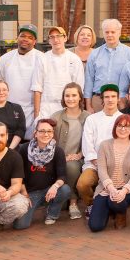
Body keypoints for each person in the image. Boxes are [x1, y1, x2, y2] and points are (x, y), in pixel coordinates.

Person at [13, 119, 71, 228]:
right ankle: (35, 205)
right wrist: (24, 193)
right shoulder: (24, 149)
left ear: (53, 134)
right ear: (35, 133)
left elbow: (62, 175)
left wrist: (55, 186)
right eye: (42, 131)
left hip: (49, 191)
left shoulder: (58, 151)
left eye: (49, 131)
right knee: (20, 225)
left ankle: (52, 213)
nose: (46, 134)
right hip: (30, 193)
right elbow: (18, 174)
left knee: (65, 189)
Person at [88, 115, 130, 231]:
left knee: (115, 202)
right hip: (106, 188)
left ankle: (119, 212)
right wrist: (111, 189)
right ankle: (110, 209)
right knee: (95, 226)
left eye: (127, 126)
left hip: (127, 189)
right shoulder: (104, 145)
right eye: (120, 125)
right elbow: (101, 169)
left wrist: (124, 191)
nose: (123, 129)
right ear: (115, 127)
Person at [77, 84, 123, 216]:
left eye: (113, 96)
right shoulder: (92, 119)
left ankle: (110, 207)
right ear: (102, 99)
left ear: (118, 99)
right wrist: (97, 162)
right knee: (83, 184)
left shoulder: (123, 119)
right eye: (107, 97)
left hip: (116, 165)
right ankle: (91, 205)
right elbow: (87, 143)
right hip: (94, 164)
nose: (110, 100)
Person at [31, 26, 85, 120]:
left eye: (59, 36)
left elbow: (79, 88)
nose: (56, 40)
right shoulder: (43, 59)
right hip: (46, 107)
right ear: (49, 41)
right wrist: (37, 115)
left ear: (65, 38)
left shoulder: (74, 59)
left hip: (68, 107)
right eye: (52, 37)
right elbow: (37, 88)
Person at [0, 23, 43, 132]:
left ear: (35, 41)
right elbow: (0, 83)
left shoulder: (41, 58)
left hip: (33, 111)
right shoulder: (5, 59)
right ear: (17, 38)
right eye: (23, 36)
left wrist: (37, 116)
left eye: (30, 37)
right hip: (9, 111)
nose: (25, 39)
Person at [52, 82, 88, 220]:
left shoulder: (88, 117)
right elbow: (50, 140)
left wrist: (80, 154)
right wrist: (60, 157)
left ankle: (73, 202)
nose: (70, 98)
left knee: (71, 166)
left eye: (74, 95)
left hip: (79, 158)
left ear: (80, 98)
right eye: (67, 95)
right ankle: (62, 198)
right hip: (58, 157)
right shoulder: (56, 117)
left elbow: (92, 143)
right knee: (59, 204)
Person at [84, 18, 130, 110]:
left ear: (119, 32)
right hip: (98, 100)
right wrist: (88, 105)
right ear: (103, 33)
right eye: (107, 32)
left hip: (121, 100)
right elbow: (89, 80)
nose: (109, 35)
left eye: (113, 32)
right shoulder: (94, 54)